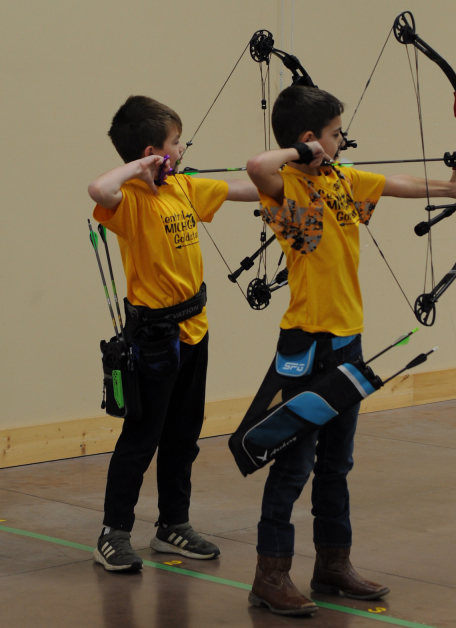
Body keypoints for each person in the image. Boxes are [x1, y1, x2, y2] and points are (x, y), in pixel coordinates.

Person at [242, 85, 456, 616]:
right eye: (334, 133)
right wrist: (301, 154)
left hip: (349, 341)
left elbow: (403, 183)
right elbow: (257, 165)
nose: (342, 140)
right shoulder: (286, 187)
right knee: (293, 464)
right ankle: (270, 574)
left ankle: (333, 564)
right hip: (305, 344)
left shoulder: (343, 181)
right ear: (308, 141)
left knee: (337, 462)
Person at [88, 95, 258, 572]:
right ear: (152, 152)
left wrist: (294, 178)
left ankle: (172, 526)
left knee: (183, 436)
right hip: (154, 339)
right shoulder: (132, 202)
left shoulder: (182, 188)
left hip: (194, 329)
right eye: (175, 143)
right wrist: (140, 168)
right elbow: (99, 188)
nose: (181, 150)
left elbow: (247, 191)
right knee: (142, 438)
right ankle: (113, 532)